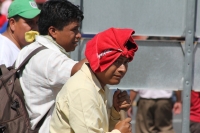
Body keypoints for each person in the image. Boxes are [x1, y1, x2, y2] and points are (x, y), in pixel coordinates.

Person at [15, 0, 86, 133]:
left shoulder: (29, 49)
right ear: (53, 31)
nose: (78, 35)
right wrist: (106, 48)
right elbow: (81, 71)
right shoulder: (50, 58)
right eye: (74, 29)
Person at [50, 27, 138, 133]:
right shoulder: (83, 89)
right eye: (117, 61)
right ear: (101, 59)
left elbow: (102, 128)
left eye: (126, 62)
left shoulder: (99, 85)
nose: (123, 69)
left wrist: (115, 111)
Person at [0, 0, 40, 67]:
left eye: (37, 22)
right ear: (12, 23)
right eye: (29, 22)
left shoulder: (23, 47)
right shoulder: (3, 50)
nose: (35, 27)